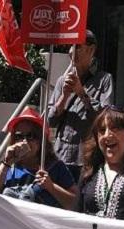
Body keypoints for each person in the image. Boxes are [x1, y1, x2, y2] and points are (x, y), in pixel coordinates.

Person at [47, 30, 113, 183]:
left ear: (91, 50)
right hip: (61, 154)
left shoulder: (104, 79)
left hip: (87, 157)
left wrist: (81, 93)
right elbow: (50, 120)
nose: (71, 51)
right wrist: (64, 96)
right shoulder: (62, 80)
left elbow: (105, 117)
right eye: (71, 46)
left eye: (77, 46)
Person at [0, 107, 78, 210]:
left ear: (41, 140)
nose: (24, 141)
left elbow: (75, 204)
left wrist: (51, 187)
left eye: (30, 136)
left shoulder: (56, 167)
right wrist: (6, 163)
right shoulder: (10, 168)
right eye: (19, 136)